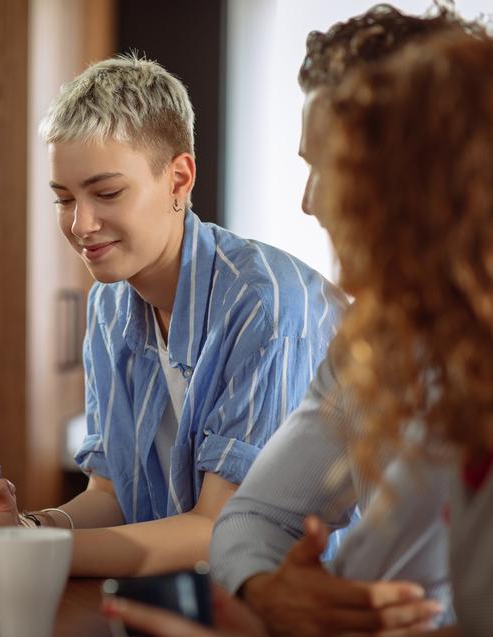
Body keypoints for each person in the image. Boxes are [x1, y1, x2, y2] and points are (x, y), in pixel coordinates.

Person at [109, 24, 493, 637]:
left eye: (331, 166)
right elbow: (249, 518)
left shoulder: (270, 303)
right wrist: (269, 590)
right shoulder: (374, 348)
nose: (309, 203)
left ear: (418, 180)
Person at [0, 54, 343, 577]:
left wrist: (23, 553)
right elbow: (111, 494)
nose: (81, 224)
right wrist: (24, 529)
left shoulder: (264, 305)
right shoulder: (110, 306)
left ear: (179, 180)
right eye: (63, 199)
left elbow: (223, 530)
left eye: (107, 192)